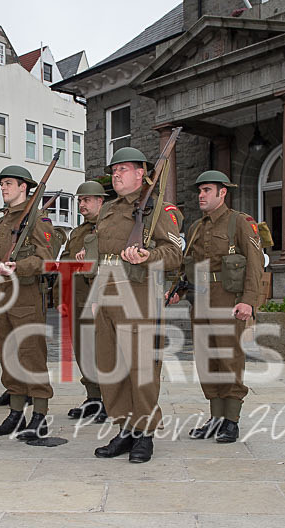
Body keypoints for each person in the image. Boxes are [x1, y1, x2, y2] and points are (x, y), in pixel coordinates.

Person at [84, 147, 182, 463]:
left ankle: (144, 434)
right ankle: (124, 429)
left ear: (141, 173)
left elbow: (174, 254)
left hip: (139, 297)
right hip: (109, 297)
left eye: (123, 169)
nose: (116, 175)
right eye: (114, 170)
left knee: (141, 369)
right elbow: (102, 259)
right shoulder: (109, 210)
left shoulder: (158, 210)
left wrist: (148, 255)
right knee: (111, 366)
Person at [166, 171, 263, 443]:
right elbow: (191, 266)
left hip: (228, 300)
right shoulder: (197, 226)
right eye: (200, 191)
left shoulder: (239, 223)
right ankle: (216, 417)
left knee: (229, 358)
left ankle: (231, 420)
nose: (201, 195)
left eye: (207, 190)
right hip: (201, 300)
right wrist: (179, 290)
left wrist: (249, 300)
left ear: (223, 193)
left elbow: (255, 264)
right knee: (207, 360)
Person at [0, 166, 55, 440]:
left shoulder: (37, 220)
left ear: (23, 188)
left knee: (31, 356)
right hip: (4, 296)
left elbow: (46, 260)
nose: (3, 188)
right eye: (1, 183)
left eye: (8, 183)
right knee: (8, 356)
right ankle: (16, 412)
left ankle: (39, 415)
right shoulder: (4, 222)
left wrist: (19, 267)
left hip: (27, 296)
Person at [57, 181, 108, 423]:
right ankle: (93, 397)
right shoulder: (77, 233)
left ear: (101, 201)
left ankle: (109, 400)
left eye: (86, 200)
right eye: (79, 200)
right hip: (77, 299)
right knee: (83, 351)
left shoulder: (108, 229)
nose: (82, 204)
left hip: (100, 300)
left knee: (102, 351)